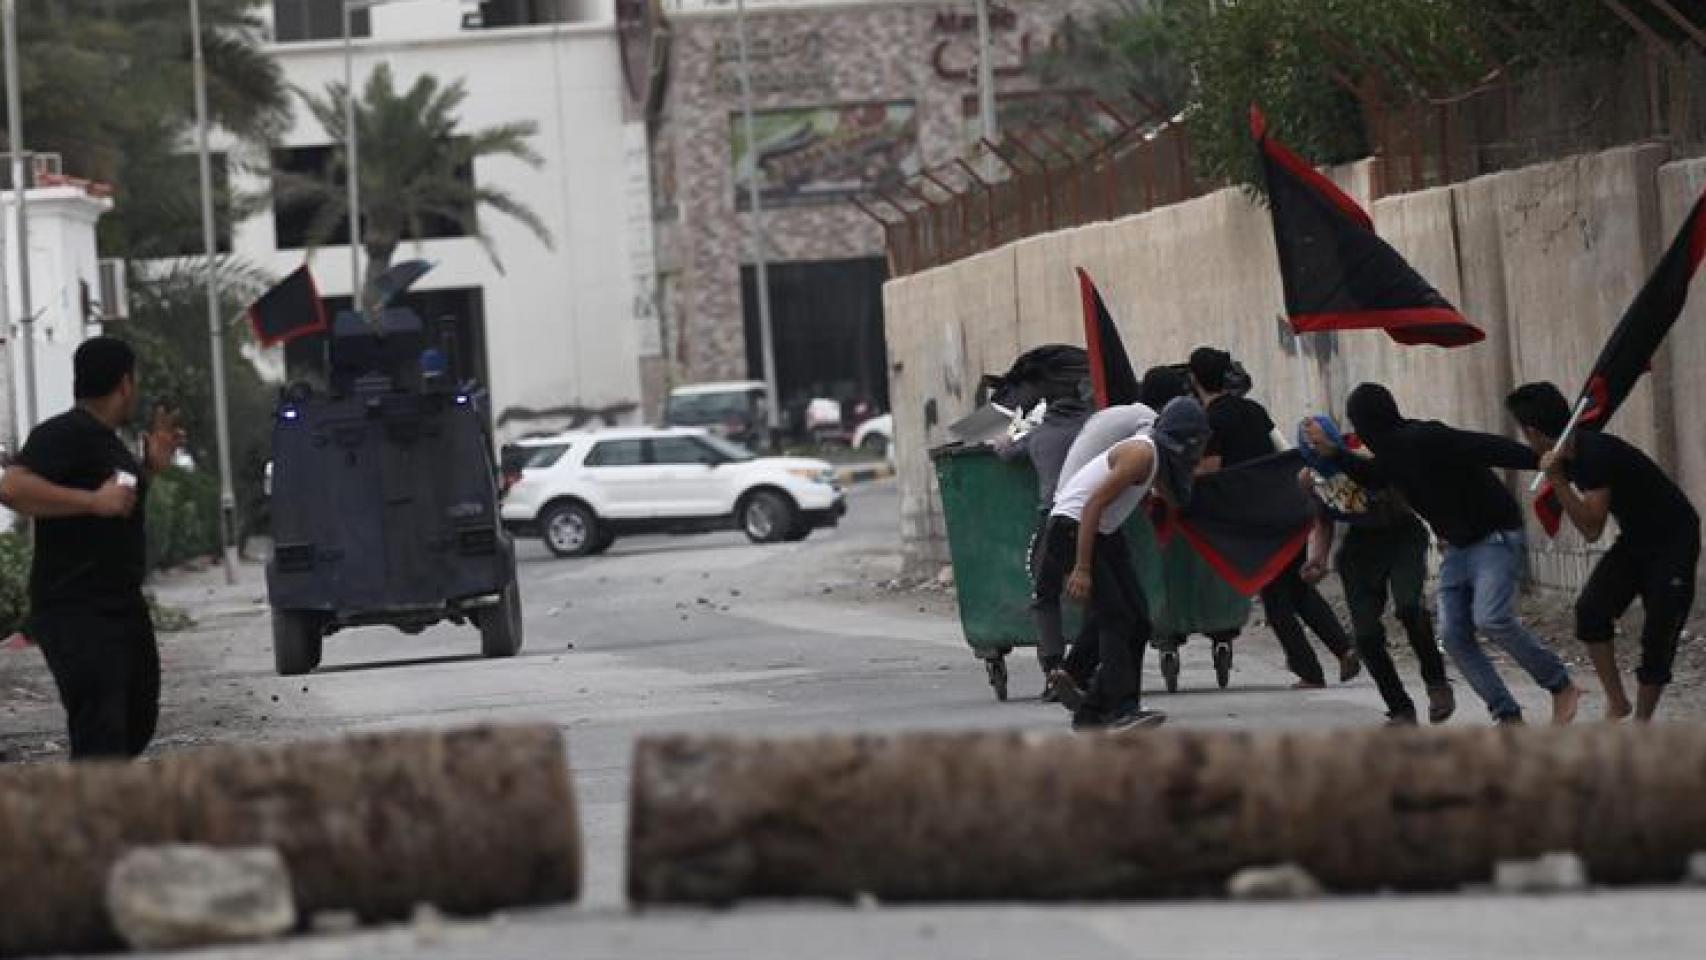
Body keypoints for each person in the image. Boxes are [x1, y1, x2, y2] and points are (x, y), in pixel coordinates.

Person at [1305, 383, 1579, 725]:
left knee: (1491, 618)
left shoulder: (1424, 438)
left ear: (1368, 423)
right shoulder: (1391, 456)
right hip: (1459, 547)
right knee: (1453, 636)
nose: (1360, 434)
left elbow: (1482, 446)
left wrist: (1538, 460)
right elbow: (1371, 477)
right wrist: (1332, 452)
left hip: (1494, 534)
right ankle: (1506, 714)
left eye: (1360, 425)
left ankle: (1560, 684)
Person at [0, 337, 183, 759]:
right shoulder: (62, 433)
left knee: (137, 716)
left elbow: (118, 499)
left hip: (120, 605)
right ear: (125, 383)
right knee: (101, 727)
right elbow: (12, 487)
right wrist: (91, 502)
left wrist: (149, 468)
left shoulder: (108, 443)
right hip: (75, 608)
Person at [1506, 382, 1699, 722]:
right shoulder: (1569, 451)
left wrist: (1559, 482)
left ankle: (1641, 723)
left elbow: (1592, 528)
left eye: (1523, 432)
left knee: (1660, 630)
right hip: (1636, 538)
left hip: (1674, 539)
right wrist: (1558, 475)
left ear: (1533, 432)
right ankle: (1618, 702)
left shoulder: (1594, 454)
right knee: (1591, 611)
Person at [1189, 346, 1359, 689]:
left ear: (1194, 380)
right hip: (1284, 506)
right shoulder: (1254, 409)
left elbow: (1211, 472)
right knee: (1296, 588)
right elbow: (1281, 449)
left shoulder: (1210, 421)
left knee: (1274, 596)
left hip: (1251, 521)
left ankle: (1309, 671)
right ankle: (1343, 649)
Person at [1041, 398, 1209, 731]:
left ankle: (1091, 710)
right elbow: (1091, 506)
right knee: (1116, 618)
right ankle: (1120, 708)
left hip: (1100, 532)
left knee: (1139, 620)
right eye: (1197, 442)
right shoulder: (1141, 454)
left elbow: (1175, 498)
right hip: (1073, 528)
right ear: (1183, 438)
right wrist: (1082, 568)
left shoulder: (1157, 459)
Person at [1298, 415, 1455, 725]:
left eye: (1323, 449)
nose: (1321, 459)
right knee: (1366, 636)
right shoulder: (1308, 479)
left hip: (1401, 535)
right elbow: (1323, 520)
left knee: (1409, 608)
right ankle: (1399, 708)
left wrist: (1444, 529)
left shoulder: (1368, 456)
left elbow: (1416, 493)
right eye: (1312, 453)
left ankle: (1436, 682)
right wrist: (1317, 557)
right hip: (1360, 548)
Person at [993, 394, 1091, 697]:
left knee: (1045, 594)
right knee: (1101, 595)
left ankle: (1053, 669)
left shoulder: (1039, 435)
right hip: (1095, 519)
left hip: (1056, 520)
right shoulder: (1091, 429)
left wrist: (1004, 438)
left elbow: (1005, 453)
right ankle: (1090, 666)